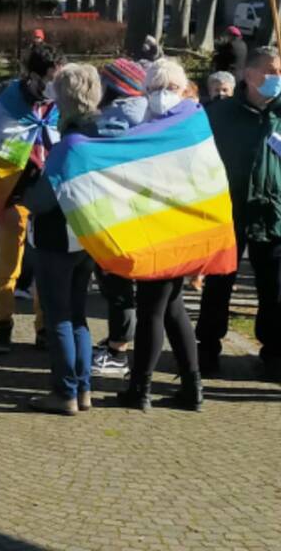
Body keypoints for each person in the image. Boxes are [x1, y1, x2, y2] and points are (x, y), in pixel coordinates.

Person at [116, 59, 203, 411]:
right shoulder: (195, 122)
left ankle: (141, 389)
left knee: (152, 308)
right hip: (180, 228)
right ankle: (193, 387)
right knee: (172, 308)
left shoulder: (179, 124)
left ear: (182, 90)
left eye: (166, 89)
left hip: (163, 228)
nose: (160, 96)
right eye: (154, 89)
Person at [23, 64, 101, 415]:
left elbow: (42, 200)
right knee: (79, 315)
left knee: (59, 317)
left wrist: (28, 186)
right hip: (88, 237)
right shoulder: (102, 133)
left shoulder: (69, 144)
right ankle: (83, 388)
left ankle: (64, 391)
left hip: (57, 238)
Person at [199, 46, 281, 378]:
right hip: (228, 213)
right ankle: (206, 350)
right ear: (249, 75)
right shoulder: (221, 115)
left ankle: (274, 353)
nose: (278, 78)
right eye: (272, 71)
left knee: (274, 290)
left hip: (272, 214)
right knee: (218, 286)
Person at [0, 43, 64, 353]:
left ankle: (43, 328)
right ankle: (3, 326)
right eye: (50, 79)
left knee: (45, 267)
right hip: (14, 194)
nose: (55, 86)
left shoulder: (62, 105)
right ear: (32, 76)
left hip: (50, 198)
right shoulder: (7, 106)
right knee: (9, 268)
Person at [90, 58, 147, 378]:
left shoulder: (111, 122)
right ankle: (121, 340)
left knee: (119, 285)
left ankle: (118, 350)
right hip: (140, 214)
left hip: (117, 216)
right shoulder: (149, 113)